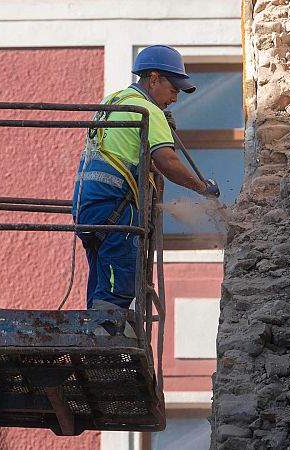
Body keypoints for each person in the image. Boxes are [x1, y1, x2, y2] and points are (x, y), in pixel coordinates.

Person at [72, 45, 220, 310]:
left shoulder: (112, 102)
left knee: (102, 280)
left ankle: (96, 332)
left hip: (87, 208)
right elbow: (168, 162)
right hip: (117, 209)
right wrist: (202, 188)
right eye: (173, 89)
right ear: (153, 79)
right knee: (121, 284)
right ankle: (107, 339)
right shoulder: (147, 111)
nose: (175, 98)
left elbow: (128, 154)